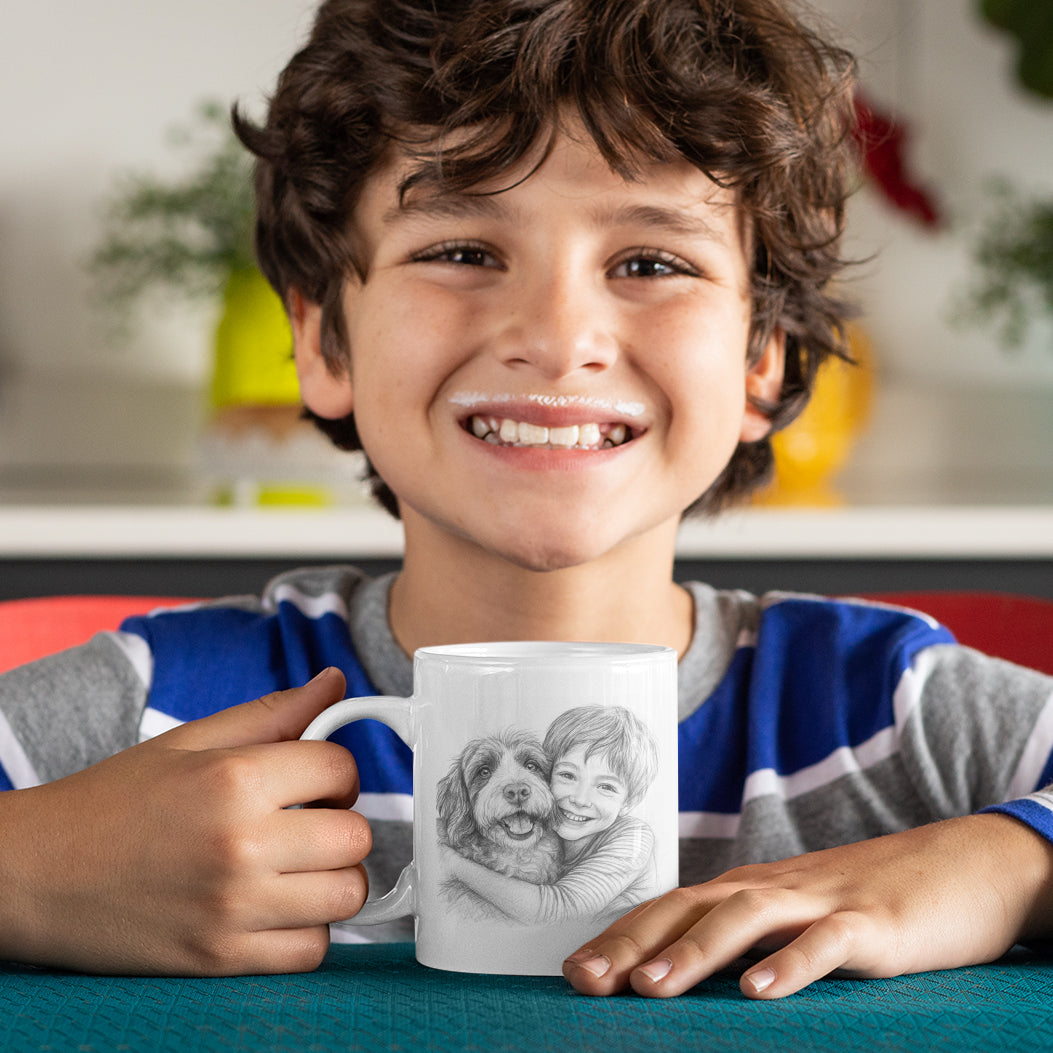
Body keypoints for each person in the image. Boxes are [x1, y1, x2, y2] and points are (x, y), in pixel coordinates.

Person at [0, 0, 1051, 1000]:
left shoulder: (889, 709)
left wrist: (993, 866)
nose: (556, 335)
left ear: (760, 360)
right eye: (461, 251)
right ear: (323, 342)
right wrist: (31, 873)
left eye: (649, 260)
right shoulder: (161, 706)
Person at [439, 705, 661, 924]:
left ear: (629, 801)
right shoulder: (554, 836)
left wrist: (452, 864)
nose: (580, 799)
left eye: (606, 787)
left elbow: (557, 911)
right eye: (567, 775)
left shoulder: (632, 838)